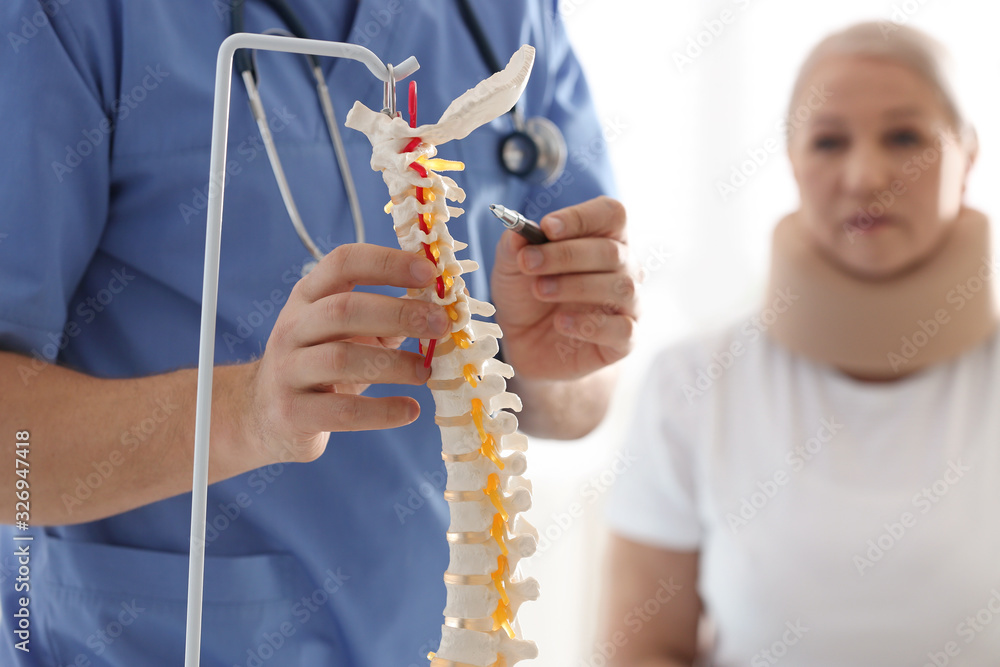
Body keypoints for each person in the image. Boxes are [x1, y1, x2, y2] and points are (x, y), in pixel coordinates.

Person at [0, 1, 638, 665]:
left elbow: (583, 397)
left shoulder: (509, 14)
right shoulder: (73, 19)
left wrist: (552, 344)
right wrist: (245, 412)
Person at [601, 22, 1000, 666]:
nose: (867, 176)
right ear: (790, 162)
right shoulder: (690, 385)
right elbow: (640, 650)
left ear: (968, 155)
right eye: (828, 141)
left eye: (904, 137)